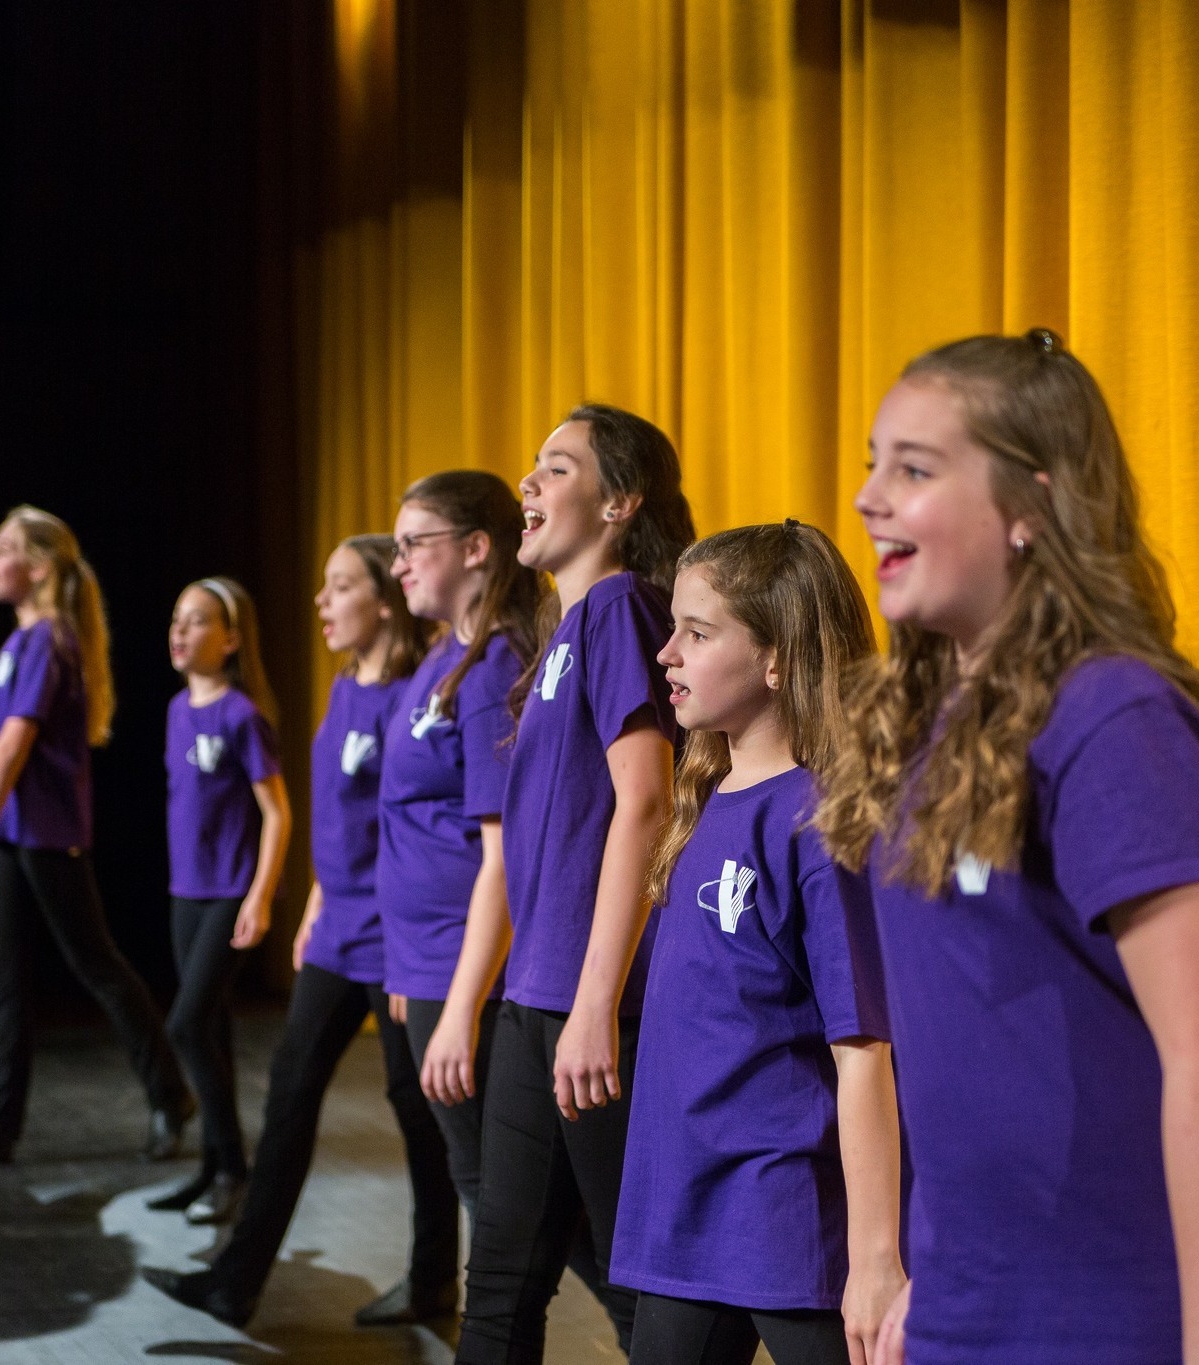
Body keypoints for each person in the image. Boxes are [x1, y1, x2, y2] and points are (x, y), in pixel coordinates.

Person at [812, 331, 1199, 1365]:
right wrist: (920, 1273)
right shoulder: (923, 717)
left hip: (1139, 1317)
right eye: (871, 462)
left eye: (914, 468)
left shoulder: (1109, 711)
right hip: (983, 1307)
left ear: (1030, 506)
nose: (867, 497)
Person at [143, 536, 458, 1328]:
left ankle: (432, 1278)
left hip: (395, 938)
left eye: (340, 585)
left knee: (414, 1107)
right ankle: (236, 1279)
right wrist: (318, 894)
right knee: (288, 1096)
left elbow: (417, 828)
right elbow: (346, 816)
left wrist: (407, 945)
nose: (321, 600)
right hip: (338, 927)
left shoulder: (417, 694)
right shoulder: (346, 687)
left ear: (384, 599)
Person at [611, 522, 903, 1365]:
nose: (665, 653)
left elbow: (864, 1051)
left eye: (697, 634)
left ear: (777, 659)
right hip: (684, 1213)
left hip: (785, 1221)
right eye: (672, 627)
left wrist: (875, 1258)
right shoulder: (706, 797)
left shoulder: (818, 821)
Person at [455, 404, 694, 1364]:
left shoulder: (624, 607)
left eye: (556, 468)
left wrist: (596, 1001)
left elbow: (647, 801)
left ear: (620, 501)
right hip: (537, 997)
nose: (528, 484)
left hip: (598, 1007)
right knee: (501, 1286)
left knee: (647, 1305)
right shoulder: (564, 631)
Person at [0, 505, 191, 1164]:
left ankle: (171, 1093)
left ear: (38, 565)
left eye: (2, 549)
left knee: (97, 964)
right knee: (1, 980)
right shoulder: (18, 641)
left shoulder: (52, 640)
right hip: (5, 832)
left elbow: (11, 746)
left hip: (45, 835)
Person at [364, 471, 540, 1324]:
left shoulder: (497, 661)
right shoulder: (442, 656)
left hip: (463, 965)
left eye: (412, 544)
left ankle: (643, 1331)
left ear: (476, 549)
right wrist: (409, 968)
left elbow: (502, 855)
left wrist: (463, 999)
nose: (397, 564)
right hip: (426, 959)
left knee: (508, 1204)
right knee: (501, 1197)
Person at [153, 576, 291, 1222]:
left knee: (183, 1022)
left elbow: (277, 812)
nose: (180, 630)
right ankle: (213, 1165)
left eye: (197, 620)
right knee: (209, 1026)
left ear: (231, 638)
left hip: (227, 894)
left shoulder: (241, 714)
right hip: (186, 891)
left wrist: (260, 896)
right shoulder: (178, 709)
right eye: (177, 619)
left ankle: (233, 1163)